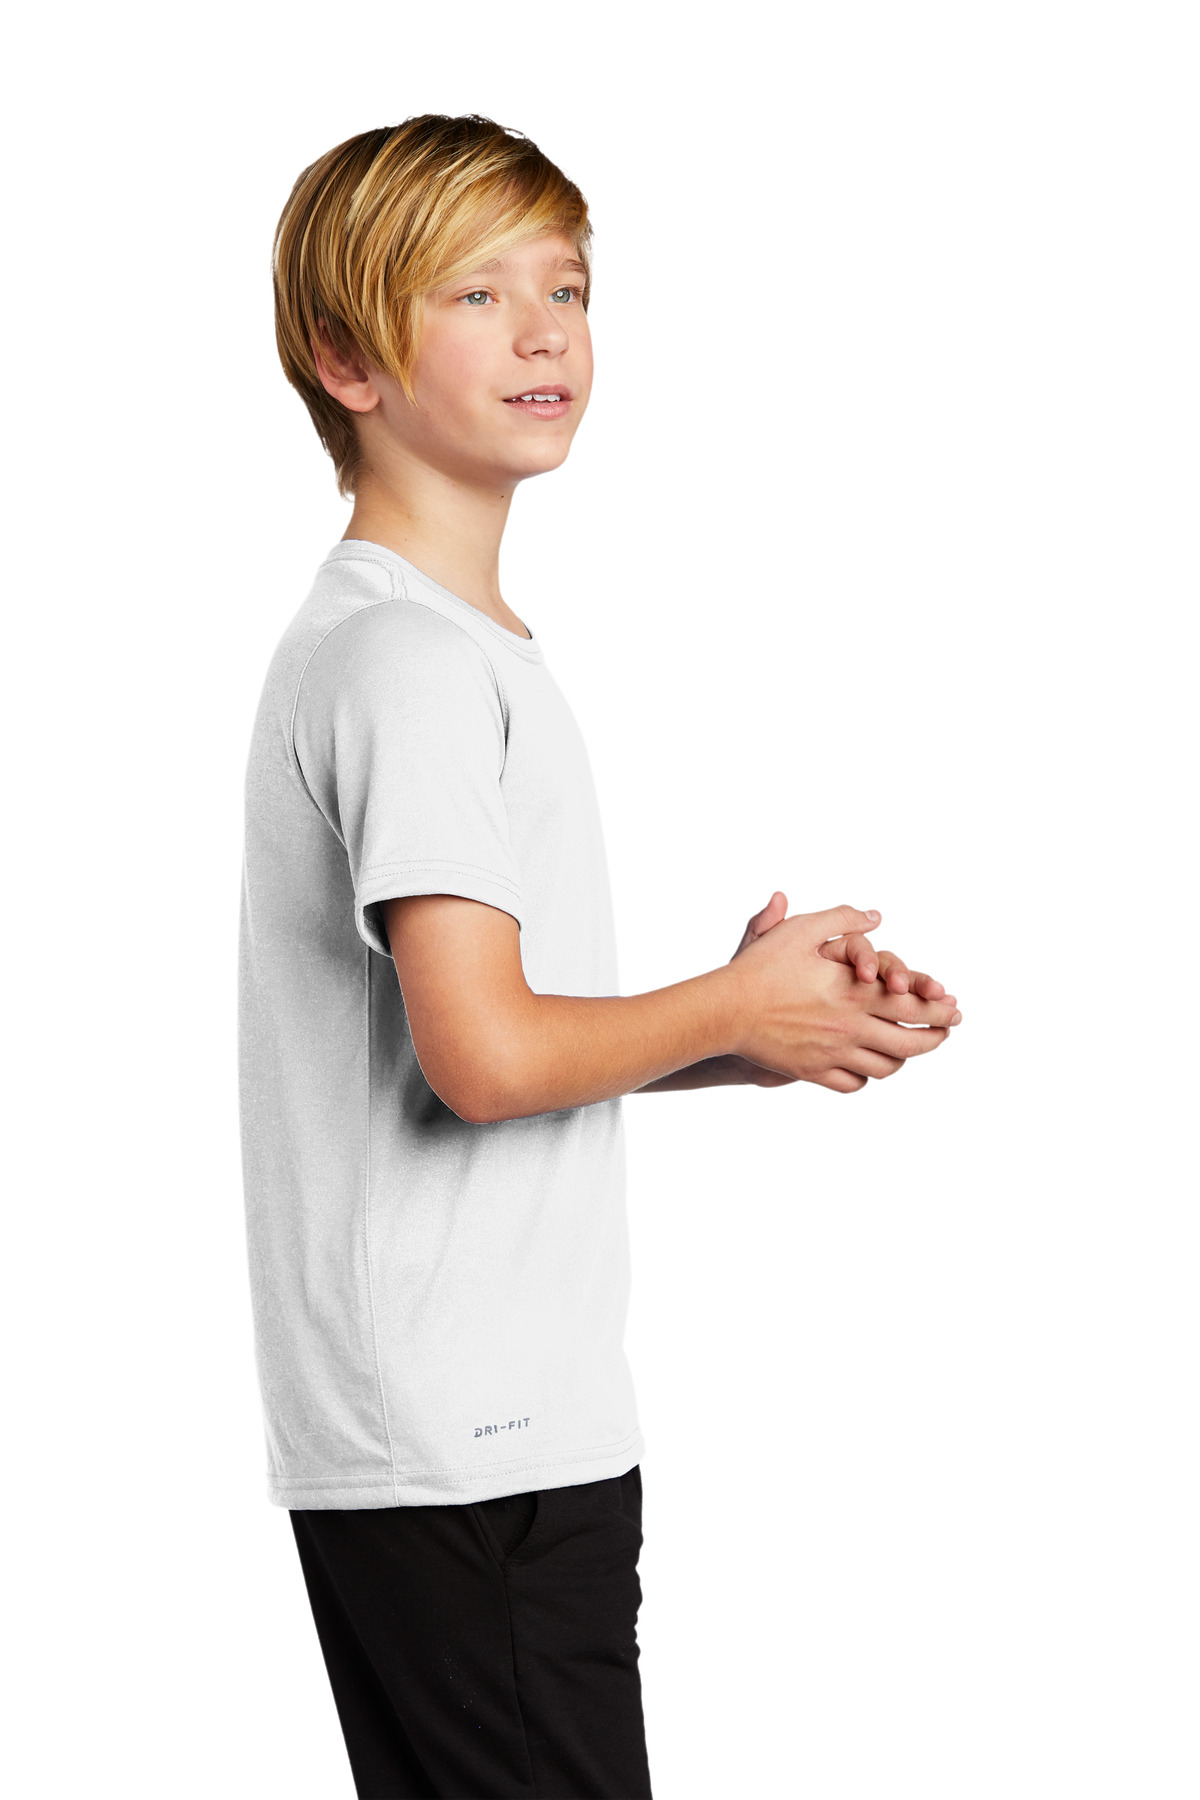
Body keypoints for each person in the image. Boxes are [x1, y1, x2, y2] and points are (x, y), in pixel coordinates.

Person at [238, 112, 962, 1800]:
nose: (543, 329)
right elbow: (483, 1061)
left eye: (564, 287)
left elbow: (473, 1040)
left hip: (470, 1434)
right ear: (346, 358)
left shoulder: (436, 649)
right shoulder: (409, 668)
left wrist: (743, 1032)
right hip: (470, 1445)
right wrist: (726, 1002)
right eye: (474, 293)